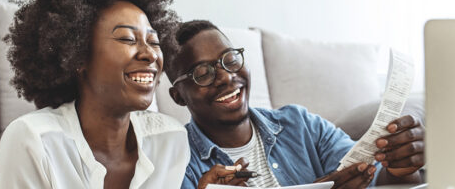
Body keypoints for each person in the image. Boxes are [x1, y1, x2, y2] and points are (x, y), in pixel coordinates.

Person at [0, 0, 189, 188]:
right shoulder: (34, 140)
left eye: (155, 42)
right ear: (78, 55)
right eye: (127, 39)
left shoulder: (170, 141)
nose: (149, 54)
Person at [159, 20, 425, 189]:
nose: (226, 77)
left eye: (230, 59)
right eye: (203, 74)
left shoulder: (301, 125)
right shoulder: (177, 162)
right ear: (178, 96)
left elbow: (381, 181)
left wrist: (402, 169)